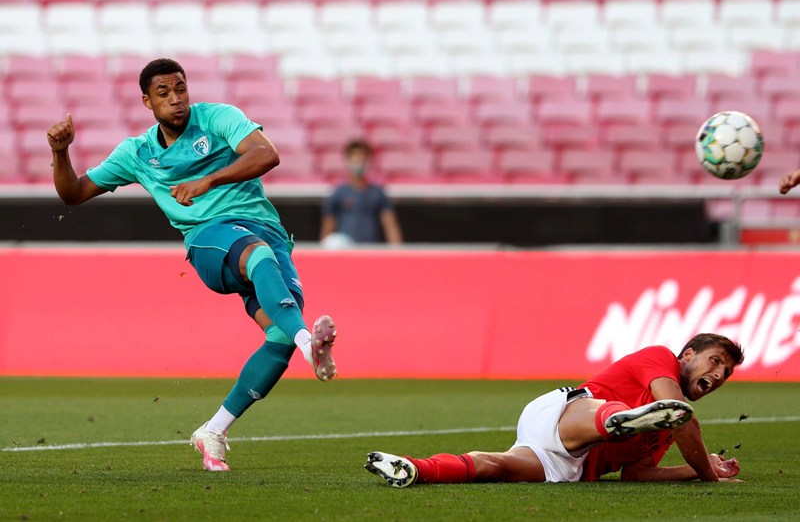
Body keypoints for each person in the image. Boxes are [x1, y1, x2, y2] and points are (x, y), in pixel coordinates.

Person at [47, 58, 338, 472]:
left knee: (277, 335)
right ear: (147, 101)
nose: (176, 100)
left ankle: (214, 430)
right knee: (258, 258)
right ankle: (311, 344)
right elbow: (73, 193)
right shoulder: (138, 152)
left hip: (267, 232)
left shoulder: (219, 118)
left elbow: (265, 154)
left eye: (180, 89)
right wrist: (60, 153)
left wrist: (209, 180)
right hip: (209, 239)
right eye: (163, 94)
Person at [365, 333, 744, 486]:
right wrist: (709, 474)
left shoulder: (666, 427)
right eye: (714, 361)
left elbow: (637, 475)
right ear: (688, 355)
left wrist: (692, 471)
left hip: (566, 463)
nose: (719, 373)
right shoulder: (660, 359)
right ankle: (619, 420)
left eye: (725, 373)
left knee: (493, 466)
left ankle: (415, 468)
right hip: (565, 412)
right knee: (612, 413)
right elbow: (679, 412)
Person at [320, 139, 403, 246]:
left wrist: (396, 251)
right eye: (355, 158)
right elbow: (328, 228)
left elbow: (390, 226)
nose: (358, 162)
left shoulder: (378, 193)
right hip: (345, 252)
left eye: (362, 158)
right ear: (348, 160)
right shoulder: (338, 193)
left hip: (370, 252)